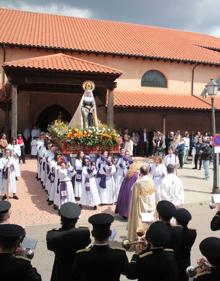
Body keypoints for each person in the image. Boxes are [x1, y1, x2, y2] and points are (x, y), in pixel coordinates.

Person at [72, 213, 129, 281]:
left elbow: (75, 276)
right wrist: (136, 255)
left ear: (92, 233)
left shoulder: (81, 255)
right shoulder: (119, 254)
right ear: (110, 233)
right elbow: (131, 274)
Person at [47, 202, 91, 281]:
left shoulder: (52, 235)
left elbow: (50, 247)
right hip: (78, 269)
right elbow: (87, 243)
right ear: (77, 219)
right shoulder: (84, 233)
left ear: (61, 217)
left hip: (61, 270)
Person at [127, 165, 156, 242]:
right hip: (151, 206)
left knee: (141, 224)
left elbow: (132, 191)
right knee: (149, 223)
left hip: (140, 207)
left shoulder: (138, 183)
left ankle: (139, 242)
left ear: (140, 172)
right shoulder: (151, 181)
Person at [174, 208, 197, 281]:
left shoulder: (174, 233)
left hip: (175, 264)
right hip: (186, 262)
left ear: (176, 220)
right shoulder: (193, 233)